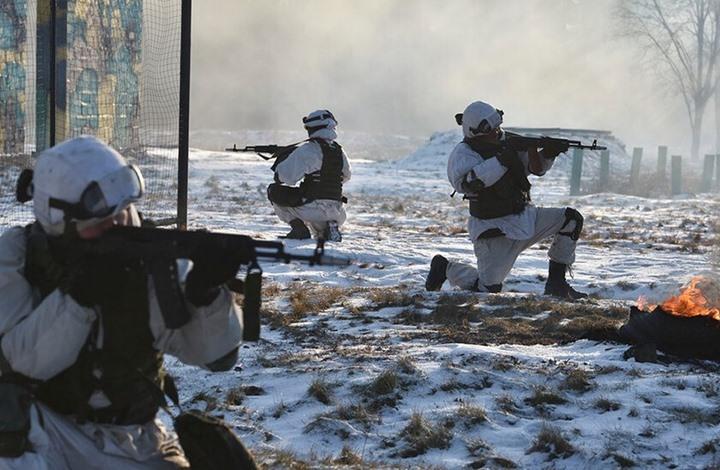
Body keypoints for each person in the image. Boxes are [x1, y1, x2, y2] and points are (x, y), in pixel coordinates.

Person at [0, 136, 245, 469]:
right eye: (100, 222)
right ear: (60, 223)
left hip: (135, 438)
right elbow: (21, 362)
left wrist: (207, 295)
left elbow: (217, 357)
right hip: (47, 431)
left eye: (124, 213)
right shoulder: (18, 256)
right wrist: (79, 300)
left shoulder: (151, 259)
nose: (119, 227)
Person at [425, 100, 587, 299]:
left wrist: (547, 153)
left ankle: (557, 284)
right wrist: (502, 160)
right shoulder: (463, 154)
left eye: (497, 127)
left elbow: (535, 169)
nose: (497, 133)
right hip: (494, 230)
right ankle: (445, 269)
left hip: (524, 218)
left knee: (570, 219)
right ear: (475, 132)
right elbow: (468, 183)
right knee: (488, 291)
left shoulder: (506, 142)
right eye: (491, 130)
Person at [269, 109, 351, 242]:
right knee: (318, 213)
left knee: (274, 191)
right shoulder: (339, 151)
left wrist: (284, 159)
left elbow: (284, 177)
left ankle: (298, 228)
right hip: (338, 211)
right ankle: (329, 227)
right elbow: (346, 176)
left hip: (311, 208)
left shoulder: (308, 149)